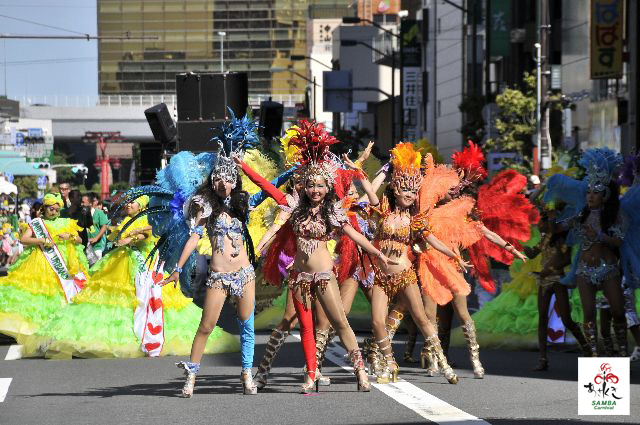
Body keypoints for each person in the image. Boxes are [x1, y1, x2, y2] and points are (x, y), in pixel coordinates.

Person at [0, 193, 88, 340]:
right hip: (40, 261)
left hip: (64, 263)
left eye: (57, 209)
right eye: (51, 209)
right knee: (41, 295)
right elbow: (24, 239)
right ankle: (37, 328)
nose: (54, 212)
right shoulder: (36, 223)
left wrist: (70, 237)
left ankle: (61, 326)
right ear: (44, 208)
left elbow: (80, 240)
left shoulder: (66, 222)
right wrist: (42, 239)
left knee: (61, 294)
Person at [82, 194, 108, 260]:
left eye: (83, 202)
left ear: (90, 203)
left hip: (97, 246)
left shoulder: (99, 213)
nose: (81, 204)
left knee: (96, 267)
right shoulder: (81, 214)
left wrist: (96, 238)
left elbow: (104, 226)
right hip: (84, 246)